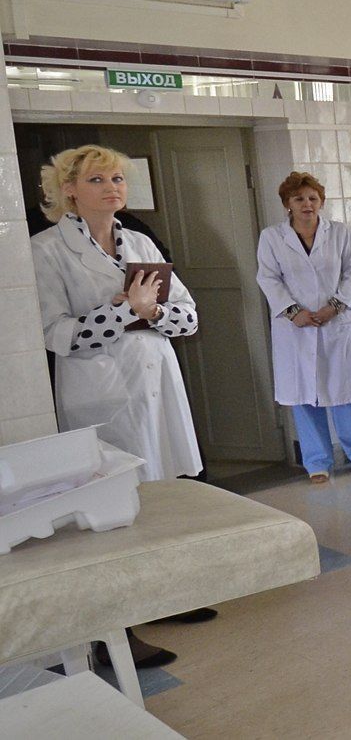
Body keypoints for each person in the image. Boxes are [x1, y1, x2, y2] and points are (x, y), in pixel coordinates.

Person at [31, 144, 204, 669]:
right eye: (97, 179)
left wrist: (151, 314)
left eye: (117, 179)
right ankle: (117, 631)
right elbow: (56, 333)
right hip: (100, 391)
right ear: (68, 190)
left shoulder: (140, 242)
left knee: (160, 497)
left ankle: (162, 598)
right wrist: (125, 312)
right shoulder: (47, 251)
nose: (112, 188)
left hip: (155, 380)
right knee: (111, 508)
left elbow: (189, 316)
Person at [255, 172, 351, 485]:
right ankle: (317, 462)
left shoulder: (339, 233)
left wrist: (335, 306)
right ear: (287, 204)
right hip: (295, 327)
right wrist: (293, 312)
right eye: (299, 199)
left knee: (346, 392)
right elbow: (268, 277)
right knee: (304, 396)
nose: (307, 204)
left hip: (337, 322)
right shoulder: (272, 237)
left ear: (321, 202)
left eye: (313, 198)